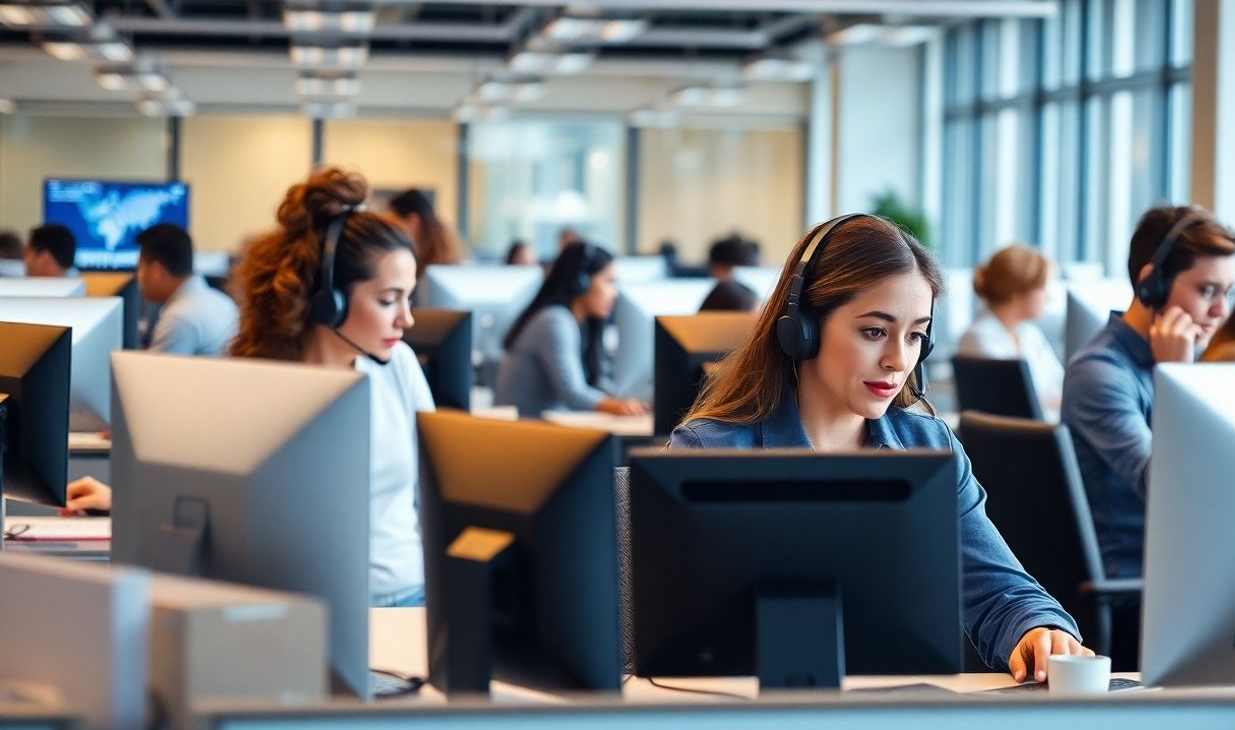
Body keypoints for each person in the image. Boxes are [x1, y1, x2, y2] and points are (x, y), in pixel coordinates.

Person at [672, 213, 1089, 682]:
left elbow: (999, 590)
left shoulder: (928, 449)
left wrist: (1037, 628)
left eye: (915, 336)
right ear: (802, 327)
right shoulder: (713, 452)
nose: (897, 360)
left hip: (900, 709)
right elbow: (688, 636)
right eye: (874, 331)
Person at [68, 168, 433, 609]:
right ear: (327, 299)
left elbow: (434, 494)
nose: (406, 319)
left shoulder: (400, 367)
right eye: (388, 299)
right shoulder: (253, 382)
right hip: (298, 608)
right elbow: (208, 498)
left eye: (408, 298)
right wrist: (124, 499)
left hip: (407, 599)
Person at [1061, 204, 1235, 668]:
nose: (1220, 311)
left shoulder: (1172, 366)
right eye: (1207, 291)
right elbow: (1166, 488)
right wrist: (1176, 378)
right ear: (1152, 283)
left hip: (1185, 576)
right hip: (1140, 593)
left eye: (1228, 293)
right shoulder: (1099, 374)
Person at [495, 241, 647, 419]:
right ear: (581, 282)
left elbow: (593, 384)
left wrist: (628, 401)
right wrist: (618, 406)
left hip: (544, 429)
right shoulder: (555, 321)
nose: (615, 294)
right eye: (609, 281)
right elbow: (573, 394)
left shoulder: (576, 322)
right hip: (523, 436)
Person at [956, 245, 1064, 419]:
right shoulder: (978, 337)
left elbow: (1060, 386)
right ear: (1018, 291)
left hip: (1044, 431)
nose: (1049, 296)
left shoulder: (1030, 334)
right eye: (1042, 288)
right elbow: (1017, 401)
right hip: (1014, 438)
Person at [135, 224, 239, 356]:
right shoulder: (222, 301)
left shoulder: (179, 318)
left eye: (139, 268)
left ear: (156, 271)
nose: (138, 277)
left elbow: (155, 375)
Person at [387, 189, 466, 278]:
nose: (391, 229)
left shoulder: (431, 269)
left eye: (393, 222)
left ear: (412, 220)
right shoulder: (446, 253)